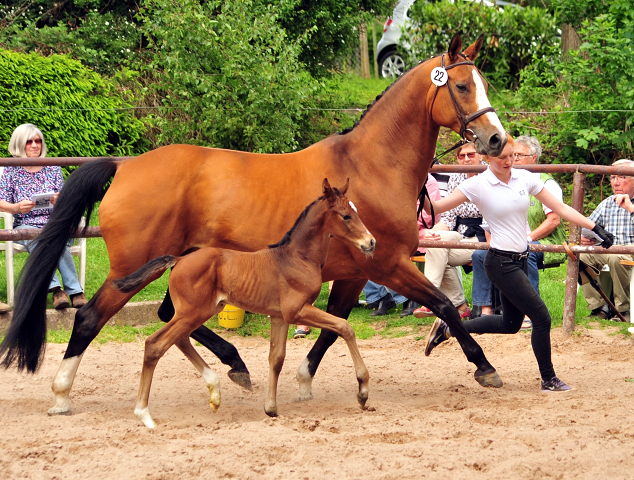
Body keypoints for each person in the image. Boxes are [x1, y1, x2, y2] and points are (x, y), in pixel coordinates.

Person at [422, 136, 614, 392]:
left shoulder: (523, 177)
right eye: (502, 157)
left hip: (521, 259)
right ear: (487, 157)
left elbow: (559, 207)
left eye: (512, 155)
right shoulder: (478, 185)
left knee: (509, 325)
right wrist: (418, 183)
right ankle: (549, 380)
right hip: (500, 262)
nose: (509, 161)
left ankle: (450, 328)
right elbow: (434, 207)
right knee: (542, 318)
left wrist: (595, 227)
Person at [471, 135, 567, 329]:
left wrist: (528, 238)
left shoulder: (546, 183)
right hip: (509, 243)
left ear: (534, 158)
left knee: (526, 252)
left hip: (544, 242)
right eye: (512, 155)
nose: (513, 159)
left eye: (519, 155)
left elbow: (554, 220)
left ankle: (529, 312)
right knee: (481, 254)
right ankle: (485, 310)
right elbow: (489, 222)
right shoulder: (501, 181)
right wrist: (494, 244)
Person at [0, 124, 87, 310]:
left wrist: (59, 200)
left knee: (54, 236)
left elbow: (67, 199)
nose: (34, 145)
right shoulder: (10, 169)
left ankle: (61, 292)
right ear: (19, 144)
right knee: (40, 238)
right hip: (26, 224)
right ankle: (68, 291)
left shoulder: (52, 167)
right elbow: (1, 201)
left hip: (55, 222)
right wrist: (16, 207)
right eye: (29, 141)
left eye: (37, 141)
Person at [413, 142, 487, 320]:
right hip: (459, 232)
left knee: (439, 252)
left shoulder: (490, 175)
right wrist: (434, 231)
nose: (466, 159)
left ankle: (437, 300)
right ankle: (455, 305)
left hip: (484, 233)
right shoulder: (457, 177)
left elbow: (491, 218)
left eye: (471, 154)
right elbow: (448, 217)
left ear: (482, 155)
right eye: (462, 156)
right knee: (435, 241)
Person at [580, 159, 634, 322]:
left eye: (622, 177)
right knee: (581, 257)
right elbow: (588, 224)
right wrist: (585, 237)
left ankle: (623, 310)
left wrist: (630, 208)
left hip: (629, 251)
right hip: (608, 250)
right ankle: (599, 307)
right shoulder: (607, 203)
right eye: (612, 178)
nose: (616, 183)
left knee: (616, 257)